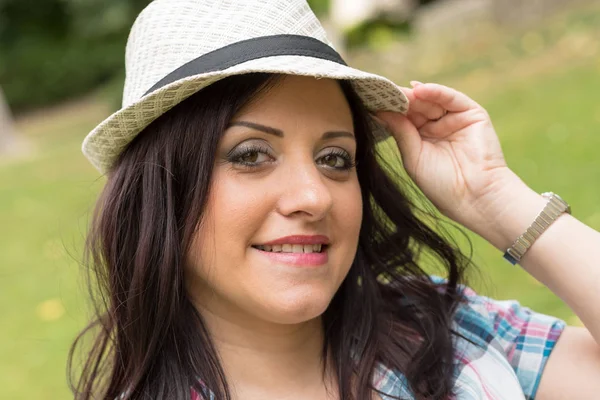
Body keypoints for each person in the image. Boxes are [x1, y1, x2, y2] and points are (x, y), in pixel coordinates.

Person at [70, 0, 600, 399]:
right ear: (160, 188)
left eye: (335, 158)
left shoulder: (443, 330)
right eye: (251, 155)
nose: (313, 196)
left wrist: (495, 199)